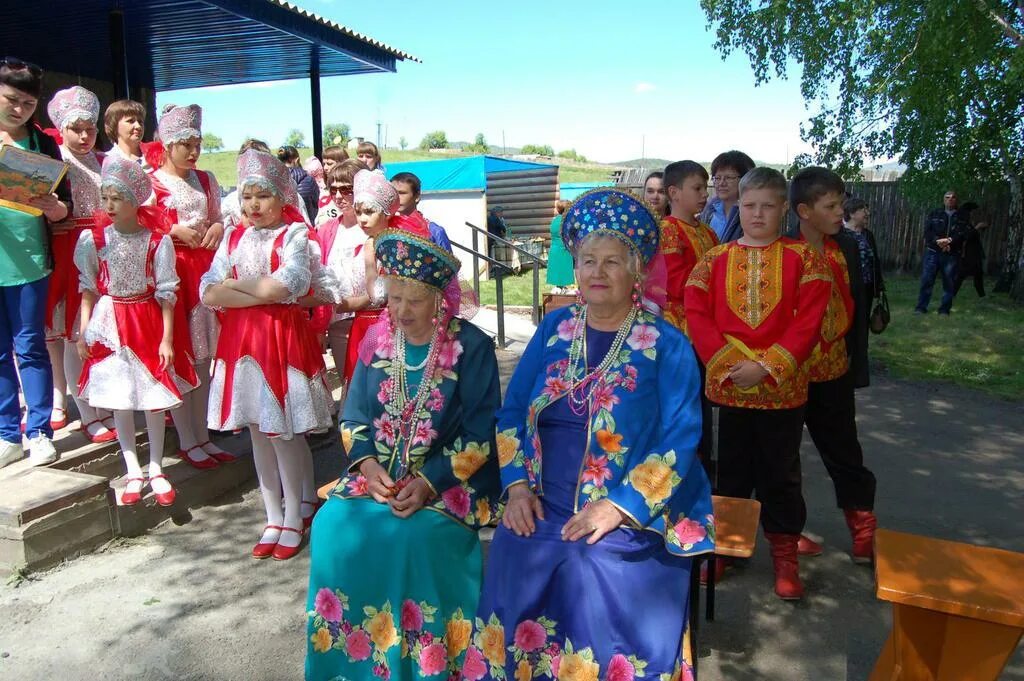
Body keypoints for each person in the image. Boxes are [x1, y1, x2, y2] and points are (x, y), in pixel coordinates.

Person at [476, 188, 714, 681]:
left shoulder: (667, 343)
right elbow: (513, 411)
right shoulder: (555, 327)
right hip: (545, 491)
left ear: (638, 273)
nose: (597, 273)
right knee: (517, 544)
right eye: (588, 261)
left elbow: (681, 437)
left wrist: (620, 506)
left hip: (631, 500)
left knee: (596, 561)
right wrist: (517, 486)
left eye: (612, 262)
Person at [305, 230, 501, 681]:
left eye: (413, 301)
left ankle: (427, 666)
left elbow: (480, 433)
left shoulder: (471, 347)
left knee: (414, 536)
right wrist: (370, 468)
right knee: (332, 525)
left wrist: (430, 482)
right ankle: (348, 665)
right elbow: (352, 418)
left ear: (439, 299)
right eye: (393, 299)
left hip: (449, 483)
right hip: (380, 478)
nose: (400, 312)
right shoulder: (376, 341)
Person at [685, 167, 831, 600]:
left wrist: (767, 367)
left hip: (782, 392)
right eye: (750, 206)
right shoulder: (714, 259)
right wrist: (731, 364)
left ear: (784, 209)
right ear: (737, 206)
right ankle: (724, 551)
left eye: (768, 206)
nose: (758, 214)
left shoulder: (807, 260)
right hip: (731, 388)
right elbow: (697, 312)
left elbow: (809, 321)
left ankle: (785, 557)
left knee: (780, 473)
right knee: (730, 471)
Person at [201, 150, 337, 560]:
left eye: (262, 196)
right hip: (242, 342)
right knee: (258, 430)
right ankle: (273, 514)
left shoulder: (295, 236)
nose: (253, 206)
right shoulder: (231, 236)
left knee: (283, 430)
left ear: (282, 197)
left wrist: (236, 289)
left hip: (280, 338)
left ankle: (296, 513)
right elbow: (208, 290)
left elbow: (288, 285)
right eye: (247, 197)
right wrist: (257, 291)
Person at [75, 155, 199, 506]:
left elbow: (167, 292)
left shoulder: (156, 242)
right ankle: (132, 469)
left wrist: (166, 338)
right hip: (109, 322)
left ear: (134, 201)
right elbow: (88, 287)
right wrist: (84, 331)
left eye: (118, 198)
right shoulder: (94, 241)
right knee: (120, 400)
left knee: (152, 398)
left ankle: (157, 466)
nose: (109, 205)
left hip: (144, 320)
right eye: (105, 198)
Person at [789, 167, 877, 563]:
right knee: (782, 458)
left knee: (844, 452)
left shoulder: (848, 248)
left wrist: (857, 363)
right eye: (832, 205)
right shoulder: (781, 249)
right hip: (788, 373)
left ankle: (862, 527)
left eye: (841, 203)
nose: (841, 211)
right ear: (805, 211)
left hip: (834, 370)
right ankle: (787, 534)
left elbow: (858, 306)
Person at [148, 103, 233, 469]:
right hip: (173, 269)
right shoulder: (151, 181)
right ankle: (187, 438)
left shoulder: (207, 179)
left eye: (197, 142)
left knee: (205, 357)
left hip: (205, 268)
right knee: (184, 354)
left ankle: (202, 434)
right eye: (186, 143)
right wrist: (170, 230)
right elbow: (139, 224)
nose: (194, 151)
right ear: (168, 144)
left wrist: (218, 226)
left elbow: (217, 218)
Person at [0, 57, 70, 468]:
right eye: (11, 99)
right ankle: (7, 433)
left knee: (30, 346)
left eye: (27, 104)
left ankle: (40, 430)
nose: (18, 109)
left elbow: (66, 209)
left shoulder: (43, 144)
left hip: (29, 261)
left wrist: (54, 207)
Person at [43, 86, 117, 444]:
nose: (85, 136)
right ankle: (85, 409)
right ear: (62, 128)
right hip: (70, 248)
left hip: (104, 247)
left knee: (99, 331)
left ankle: (100, 402)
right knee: (75, 332)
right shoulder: (55, 159)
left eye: (90, 128)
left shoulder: (104, 162)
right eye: (77, 129)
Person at [341, 170, 430, 386]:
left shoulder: (392, 245)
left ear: (386, 213)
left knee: (384, 385)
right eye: (359, 212)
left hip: (390, 327)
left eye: (369, 212)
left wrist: (370, 262)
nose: (362, 219)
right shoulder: (370, 241)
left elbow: (379, 294)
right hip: (361, 324)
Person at [313, 159, 370, 399]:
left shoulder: (372, 227)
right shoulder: (326, 229)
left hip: (372, 319)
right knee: (349, 384)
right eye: (332, 188)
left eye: (346, 189)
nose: (338, 195)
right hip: (338, 321)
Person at [660, 160, 718, 333]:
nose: (705, 194)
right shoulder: (667, 229)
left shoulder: (709, 232)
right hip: (678, 324)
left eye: (705, 188)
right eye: (697, 188)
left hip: (708, 314)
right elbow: (675, 282)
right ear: (674, 192)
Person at [915, 190, 969, 315]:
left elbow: (963, 233)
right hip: (933, 252)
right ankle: (921, 308)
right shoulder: (935, 213)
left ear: (956, 200)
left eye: (953, 197)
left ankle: (944, 310)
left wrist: (950, 241)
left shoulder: (962, 216)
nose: (950, 199)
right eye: (947, 197)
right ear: (943, 200)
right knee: (927, 280)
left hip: (951, 254)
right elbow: (927, 232)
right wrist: (939, 241)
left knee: (949, 283)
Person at [842, 197, 885, 325]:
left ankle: (862, 345)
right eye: (863, 210)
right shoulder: (841, 234)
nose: (868, 213)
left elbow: (874, 260)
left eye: (867, 209)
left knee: (863, 321)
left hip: (866, 287)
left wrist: (878, 285)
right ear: (851, 213)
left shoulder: (868, 234)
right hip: (848, 287)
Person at [699, 150, 756, 243]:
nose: (721, 183)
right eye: (717, 178)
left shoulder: (753, 215)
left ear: (746, 179)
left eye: (729, 177)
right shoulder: (708, 211)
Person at [391, 171, 452, 250]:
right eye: (393, 193)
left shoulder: (434, 231)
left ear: (417, 197)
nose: (396, 197)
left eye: (402, 193)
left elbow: (448, 261)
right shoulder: (387, 227)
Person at [103, 99, 150, 169]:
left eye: (140, 122)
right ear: (114, 125)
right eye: (130, 121)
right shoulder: (105, 160)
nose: (138, 126)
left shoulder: (156, 157)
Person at [277, 144, 319, 222]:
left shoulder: (273, 181)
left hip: (282, 227)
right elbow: (316, 203)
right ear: (297, 160)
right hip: (306, 226)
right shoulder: (309, 180)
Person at [955, 201, 987, 298]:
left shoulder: (968, 222)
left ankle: (982, 295)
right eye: (973, 211)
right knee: (961, 274)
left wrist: (980, 227)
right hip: (967, 253)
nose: (974, 213)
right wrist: (977, 227)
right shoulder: (962, 222)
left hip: (974, 253)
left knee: (978, 274)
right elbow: (966, 236)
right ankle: (951, 293)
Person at [545, 199, 574, 289]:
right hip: (563, 249)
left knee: (558, 275)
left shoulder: (555, 220)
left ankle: (560, 289)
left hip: (555, 249)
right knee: (564, 273)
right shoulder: (566, 221)